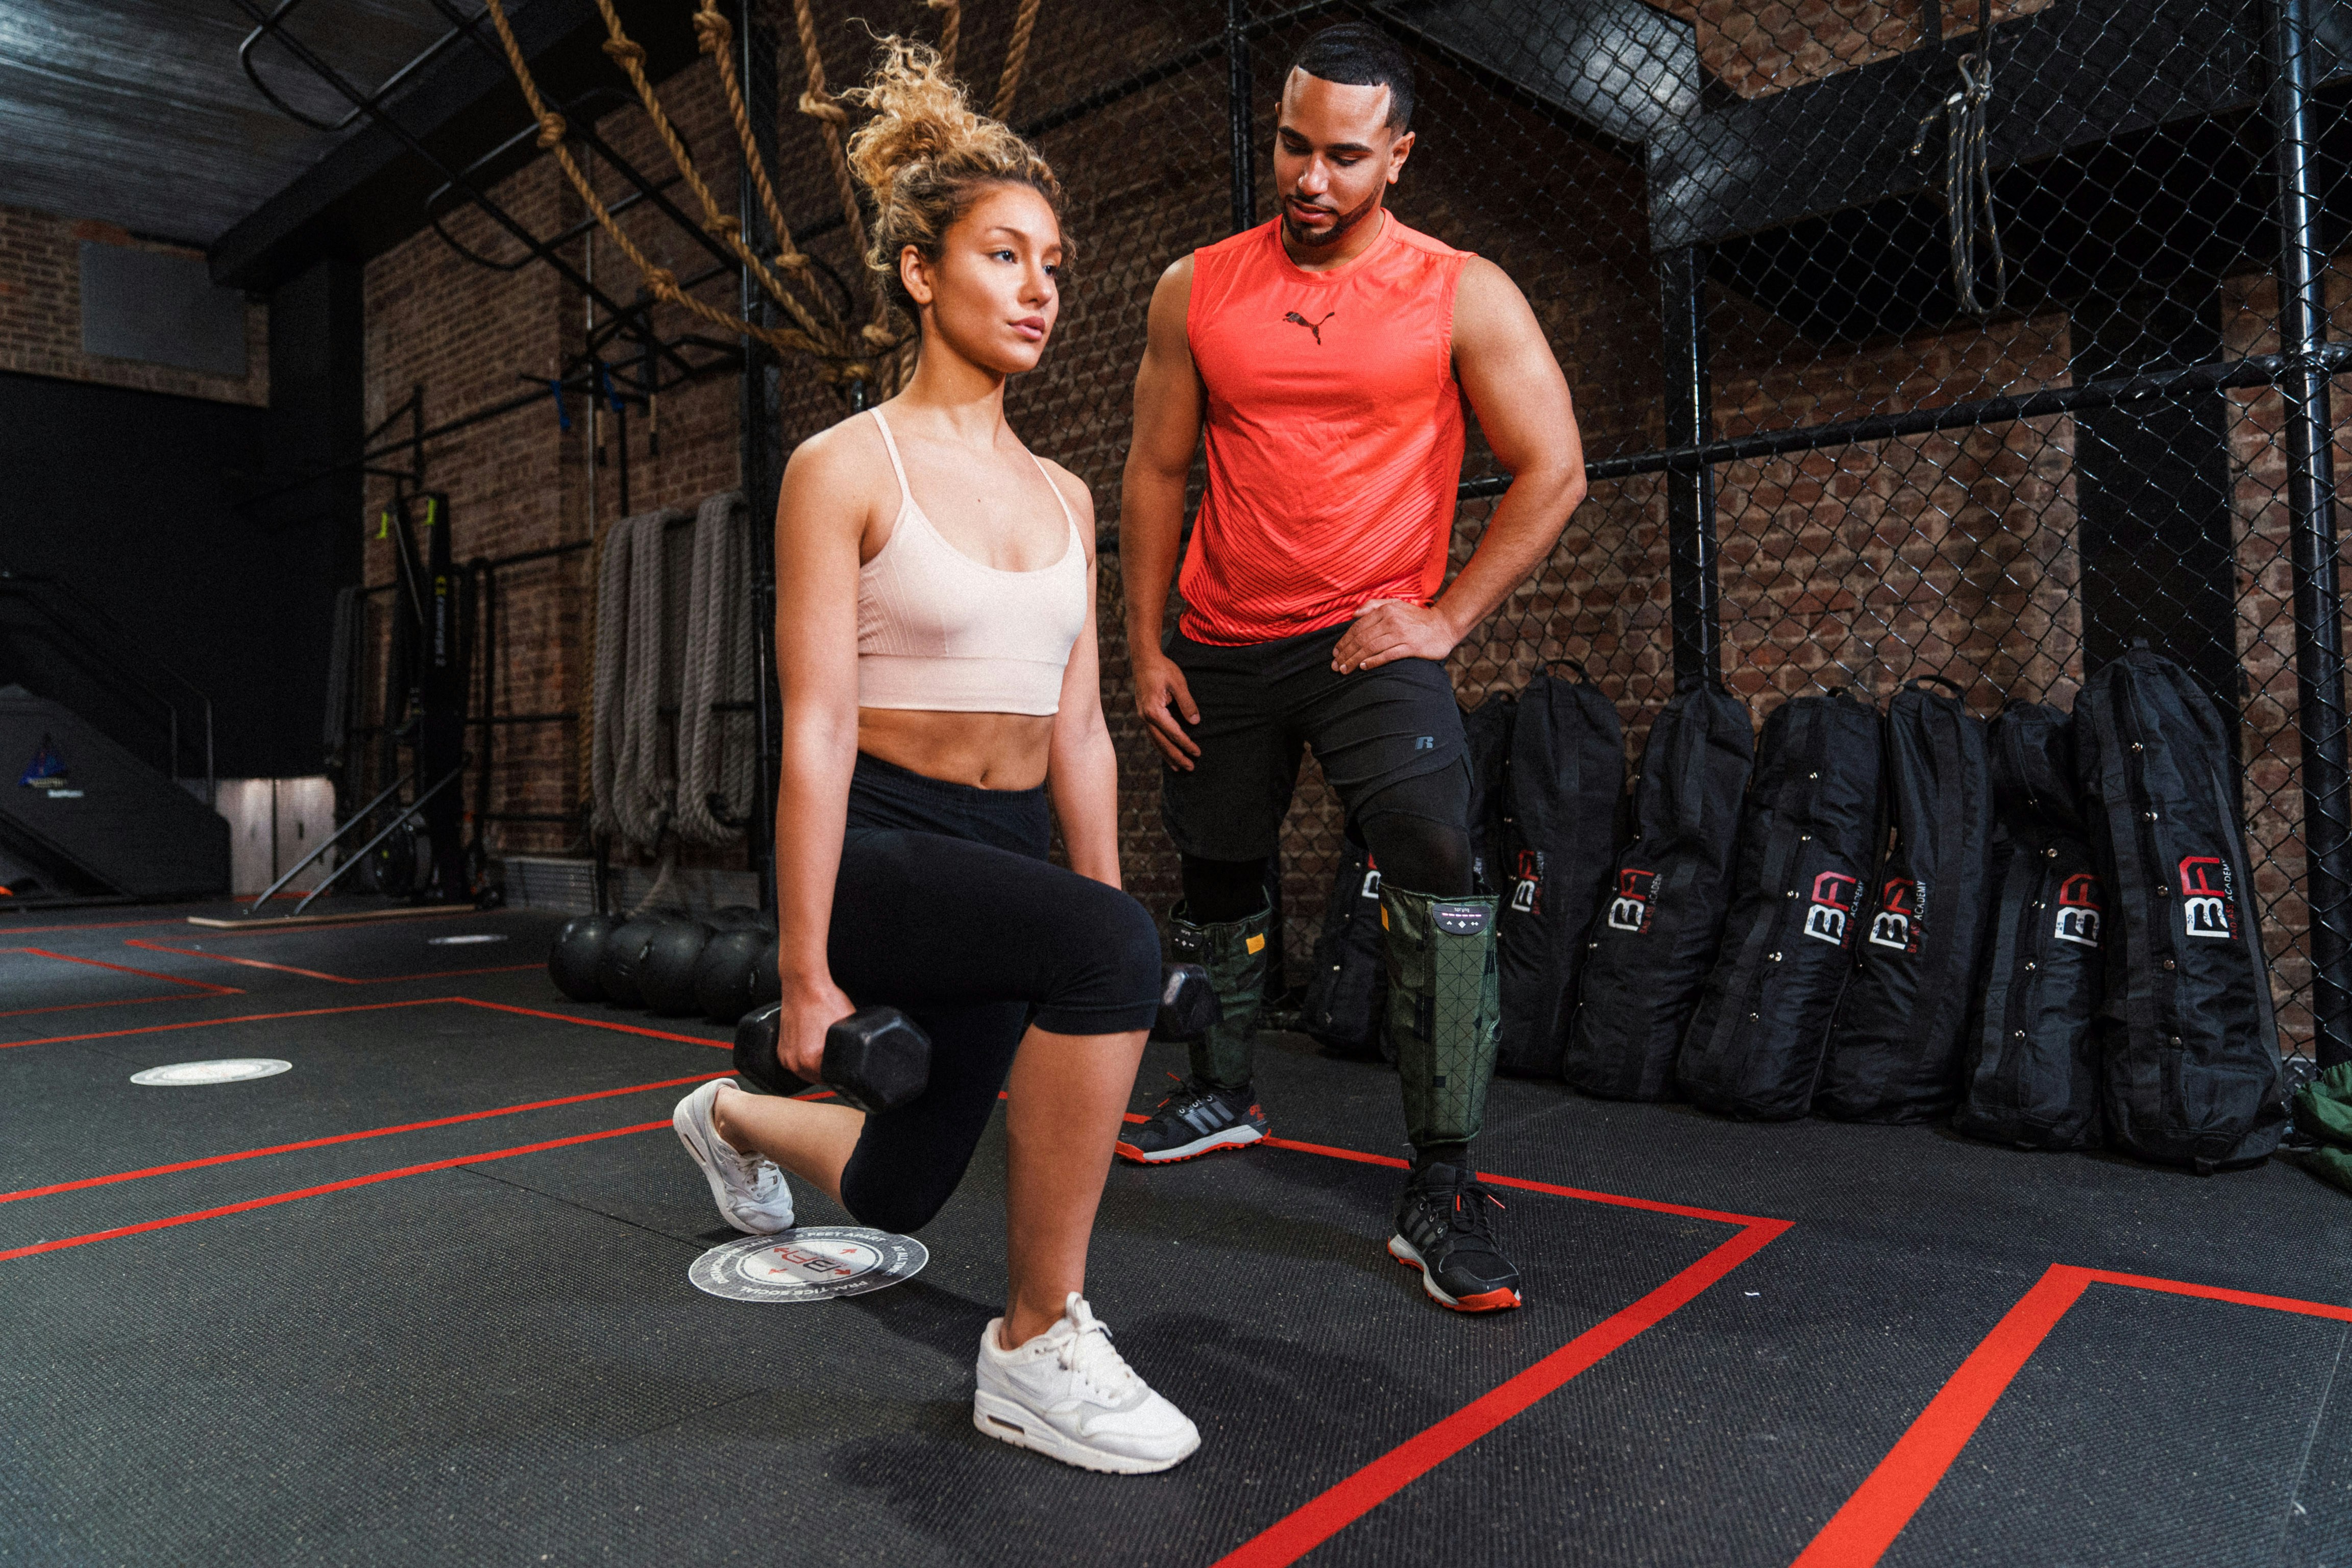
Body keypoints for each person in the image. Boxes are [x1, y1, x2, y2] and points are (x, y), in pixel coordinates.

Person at [666, 40, 1198, 1475]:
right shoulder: (844, 467)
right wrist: (802, 968)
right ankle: (1034, 1344)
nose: (1040, 287)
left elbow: (1078, 726)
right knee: (1104, 950)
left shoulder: (1070, 492)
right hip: (885, 847)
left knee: (900, 1186)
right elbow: (818, 727)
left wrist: (1108, 921)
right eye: (1005, 255)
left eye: (1055, 264)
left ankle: (724, 1118)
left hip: (1011, 845)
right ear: (920, 273)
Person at [1117, 23, 1587, 1315]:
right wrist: (1145, 640)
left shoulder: (1460, 289)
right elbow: (1159, 468)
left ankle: (1440, 1187)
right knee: (1216, 862)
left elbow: (1555, 465)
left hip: (1371, 641)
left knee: (1437, 855)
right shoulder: (1195, 286)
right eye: (1291, 146)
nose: (1309, 180)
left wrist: (1445, 618)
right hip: (1222, 636)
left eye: (1342, 157)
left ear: (1399, 157)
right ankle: (1218, 1084)